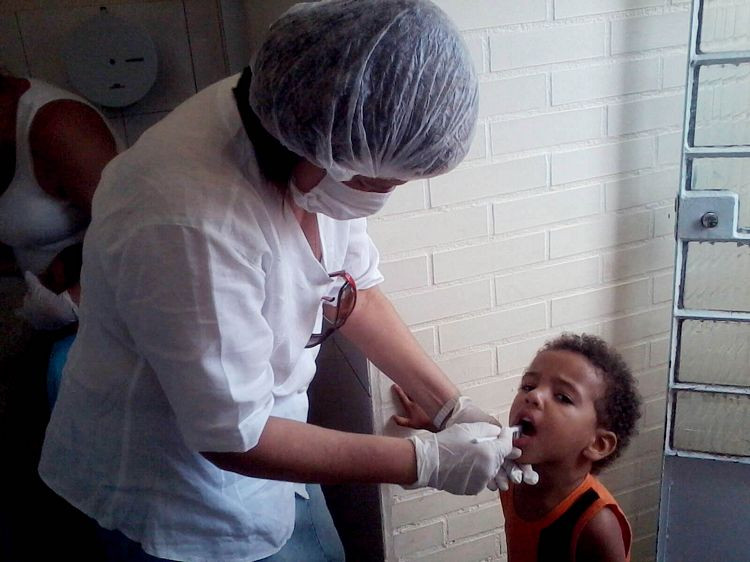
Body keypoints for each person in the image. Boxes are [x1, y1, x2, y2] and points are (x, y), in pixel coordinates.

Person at [38, 2, 535, 561]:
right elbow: (236, 437)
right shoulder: (186, 220)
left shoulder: (322, 113)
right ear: (320, 151)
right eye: (383, 181)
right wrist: (427, 462)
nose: (385, 194)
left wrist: (449, 407)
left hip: (274, 445)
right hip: (176, 491)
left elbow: (353, 293)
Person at [0, 72, 119, 559]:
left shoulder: (58, 125)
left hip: (98, 315)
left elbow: (133, 232)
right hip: (42, 312)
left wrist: (66, 292)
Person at [393, 332, 642, 562]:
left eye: (563, 397)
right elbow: (471, 440)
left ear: (598, 443)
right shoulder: (512, 470)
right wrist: (433, 421)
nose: (533, 396)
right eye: (529, 385)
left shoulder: (596, 524)